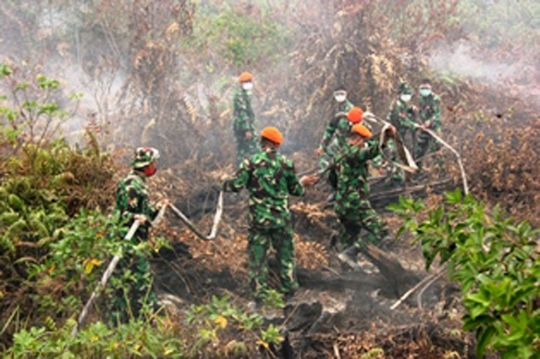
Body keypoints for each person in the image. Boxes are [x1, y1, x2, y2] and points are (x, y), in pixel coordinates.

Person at [221, 127, 316, 307]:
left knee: (258, 260)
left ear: (262, 141)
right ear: (277, 144)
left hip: (259, 220)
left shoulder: (251, 162)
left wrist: (223, 181)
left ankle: (260, 299)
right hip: (281, 219)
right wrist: (301, 183)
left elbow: (235, 185)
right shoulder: (286, 163)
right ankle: (289, 294)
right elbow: (296, 190)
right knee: (286, 256)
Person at [112, 147, 166, 323]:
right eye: (153, 163)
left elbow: (144, 211)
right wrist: (135, 217)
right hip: (127, 242)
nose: (155, 166)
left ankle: (136, 317)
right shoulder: (130, 185)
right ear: (147, 164)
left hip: (138, 241)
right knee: (139, 278)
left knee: (133, 280)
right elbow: (119, 215)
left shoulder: (140, 183)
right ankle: (142, 318)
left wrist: (157, 208)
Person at [331, 124, 395, 268]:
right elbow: (368, 153)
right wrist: (384, 140)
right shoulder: (353, 152)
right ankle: (351, 253)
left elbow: (332, 179)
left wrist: (340, 193)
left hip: (342, 204)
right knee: (381, 230)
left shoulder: (339, 154)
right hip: (355, 204)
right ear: (357, 139)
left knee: (348, 238)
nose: (364, 144)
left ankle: (348, 279)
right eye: (364, 141)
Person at [317, 85, 355, 172]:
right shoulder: (336, 108)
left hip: (349, 142)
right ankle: (325, 179)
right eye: (337, 94)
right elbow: (330, 129)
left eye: (341, 94)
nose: (339, 96)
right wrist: (322, 146)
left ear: (346, 94)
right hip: (339, 140)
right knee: (324, 159)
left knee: (345, 164)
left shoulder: (351, 109)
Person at [386, 81, 417, 183]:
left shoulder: (403, 104)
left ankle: (404, 177)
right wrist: (414, 125)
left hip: (401, 134)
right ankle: (393, 179)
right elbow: (401, 120)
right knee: (394, 154)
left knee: (403, 154)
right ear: (399, 94)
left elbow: (406, 110)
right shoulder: (397, 105)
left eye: (408, 94)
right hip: (393, 133)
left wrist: (411, 109)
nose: (407, 96)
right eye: (405, 94)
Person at [233, 72, 259, 166]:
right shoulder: (240, 95)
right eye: (246, 82)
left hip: (240, 126)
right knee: (254, 147)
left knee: (242, 148)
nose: (249, 83)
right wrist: (247, 129)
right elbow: (242, 113)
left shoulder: (244, 94)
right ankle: (257, 167)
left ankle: (240, 168)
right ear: (241, 83)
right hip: (242, 126)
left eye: (250, 81)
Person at [416, 79, 442, 170]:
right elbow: (421, 112)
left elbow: (437, 114)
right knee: (420, 147)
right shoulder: (421, 99)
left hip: (434, 127)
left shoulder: (435, 99)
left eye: (426, 88)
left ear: (431, 88)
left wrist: (430, 121)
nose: (424, 90)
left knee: (436, 148)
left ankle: (439, 169)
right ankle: (418, 168)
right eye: (422, 88)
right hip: (424, 128)